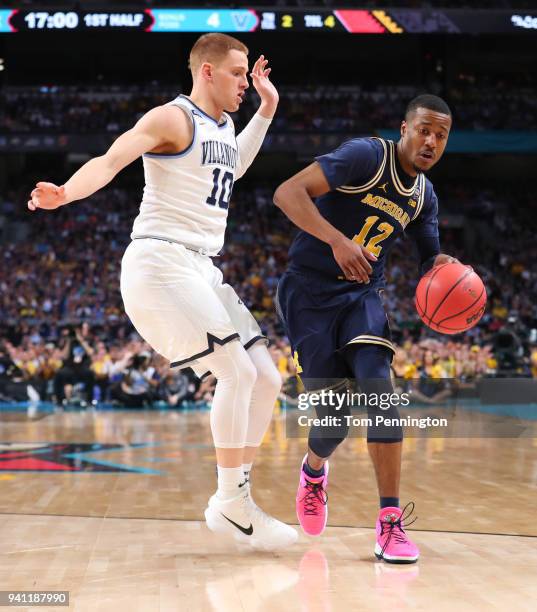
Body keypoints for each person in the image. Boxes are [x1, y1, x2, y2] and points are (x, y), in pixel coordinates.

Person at [27, 33, 297, 551]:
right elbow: (112, 160)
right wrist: (65, 193)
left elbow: (231, 168)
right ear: (208, 72)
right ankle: (232, 502)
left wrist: (266, 111)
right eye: (239, 73)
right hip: (160, 261)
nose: (247, 82)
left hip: (200, 269)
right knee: (236, 372)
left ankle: (234, 500)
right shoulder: (172, 118)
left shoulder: (225, 125)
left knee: (266, 377)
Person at [274, 94, 457, 563]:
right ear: (405, 128)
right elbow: (287, 193)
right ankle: (314, 471)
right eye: (425, 130)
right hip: (308, 293)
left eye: (441, 135)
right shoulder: (365, 156)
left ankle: (389, 523)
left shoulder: (424, 196)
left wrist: (446, 268)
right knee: (333, 422)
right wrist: (336, 241)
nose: (431, 141)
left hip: (361, 298)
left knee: (380, 392)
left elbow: (427, 259)